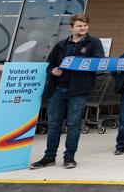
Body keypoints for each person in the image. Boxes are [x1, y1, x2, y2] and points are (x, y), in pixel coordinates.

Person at [30, 14, 104, 170]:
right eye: (79, 26)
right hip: (58, 89)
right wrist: (53, 71)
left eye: (85, 25)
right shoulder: (61, 45)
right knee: (54, 124)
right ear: (71, 27)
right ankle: (49, 157)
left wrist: (78, 63)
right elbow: (49, 66)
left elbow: (99, 63)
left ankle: (69, 158)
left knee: (73, 124)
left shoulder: (94, 43)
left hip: (79, 90)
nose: (83, 28)